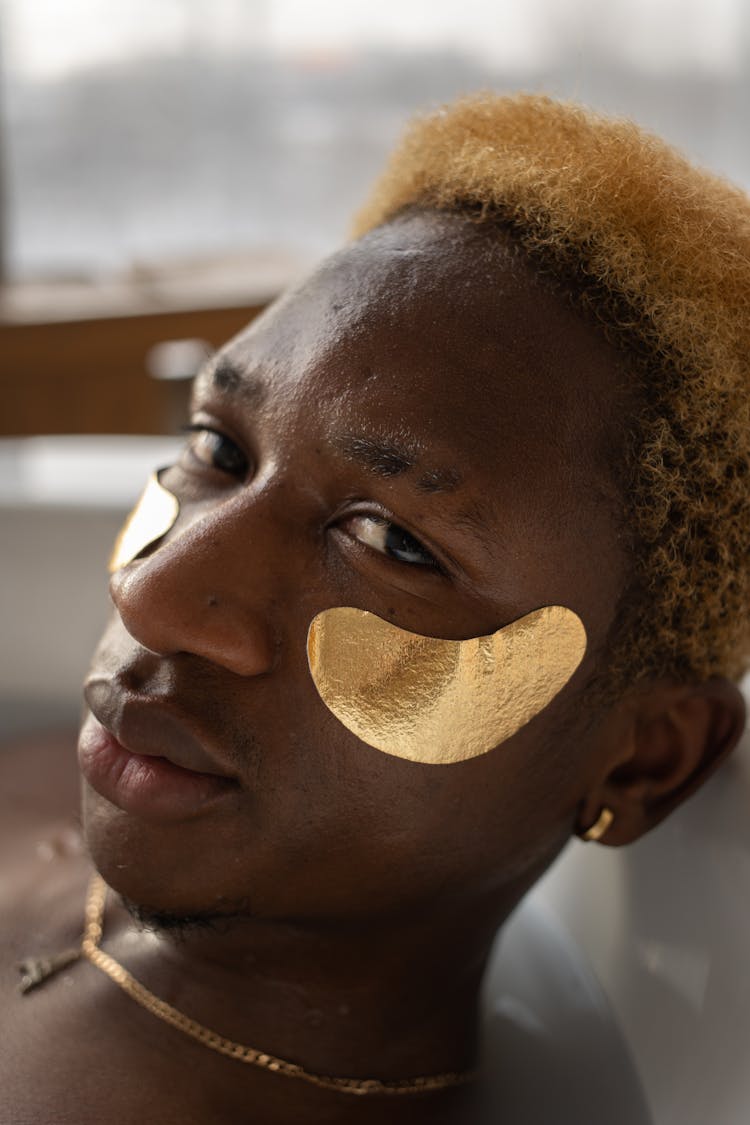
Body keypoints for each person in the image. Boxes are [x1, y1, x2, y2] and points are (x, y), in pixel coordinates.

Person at [2, 92, 749, 1125]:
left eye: (395, 544)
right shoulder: (79, 782)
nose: (159, 593)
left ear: (641, 761)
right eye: (220, 451)